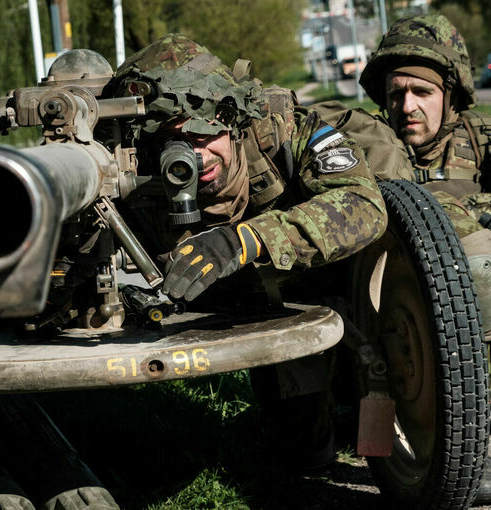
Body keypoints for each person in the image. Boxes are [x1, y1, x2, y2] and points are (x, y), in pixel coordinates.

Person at [106, 34, 388, 468]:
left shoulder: (282, 129)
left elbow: (361, 204)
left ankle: (415, 452)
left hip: (328, 285)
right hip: (254, 309)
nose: (198, 157)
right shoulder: (130, 168)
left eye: (206, 133)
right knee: (304, 455)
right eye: (176, 142)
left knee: (390, 373)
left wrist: (248, 239)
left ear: (231, 117)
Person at [358, 13, 491, 505]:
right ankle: (452, 441)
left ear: (451, 94)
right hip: (394, 315)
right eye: (396, 94)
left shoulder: (483, 141)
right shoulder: (369, 143)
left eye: (423, 92)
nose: (407, 106)